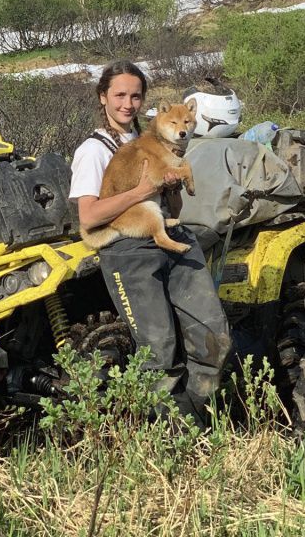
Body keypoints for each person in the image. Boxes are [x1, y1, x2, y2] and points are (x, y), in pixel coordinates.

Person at [68, 60, 232, 427]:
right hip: (128, 250)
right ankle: (174, 438)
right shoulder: (93, 151)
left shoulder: (152, 140)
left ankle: (201, 423)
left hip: (168, 236)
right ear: (103, 97)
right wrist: (143, 190)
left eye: (135, 96)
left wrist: (170, 189)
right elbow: (90, 217)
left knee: (212, 337)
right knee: (160, 352)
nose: (128, 104)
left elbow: (172, 207)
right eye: (119, 95)